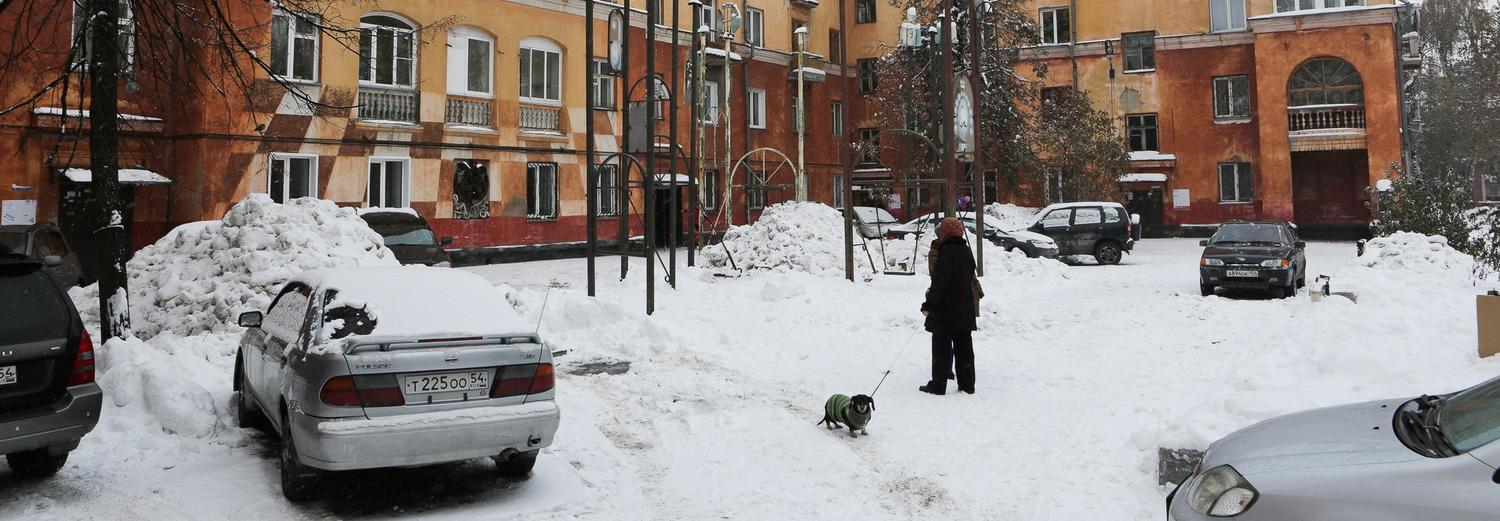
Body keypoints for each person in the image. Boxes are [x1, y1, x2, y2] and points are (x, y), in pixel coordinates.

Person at [919, 218, 977, 395]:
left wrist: (929, 304)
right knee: (964, 349)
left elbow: (940, 283)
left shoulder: (946, 252)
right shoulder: (966, 251)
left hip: (946, 311)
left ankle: (938, 385)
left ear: (945, 233)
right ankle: (967, 385)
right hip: (965, 308)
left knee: (941, 350)